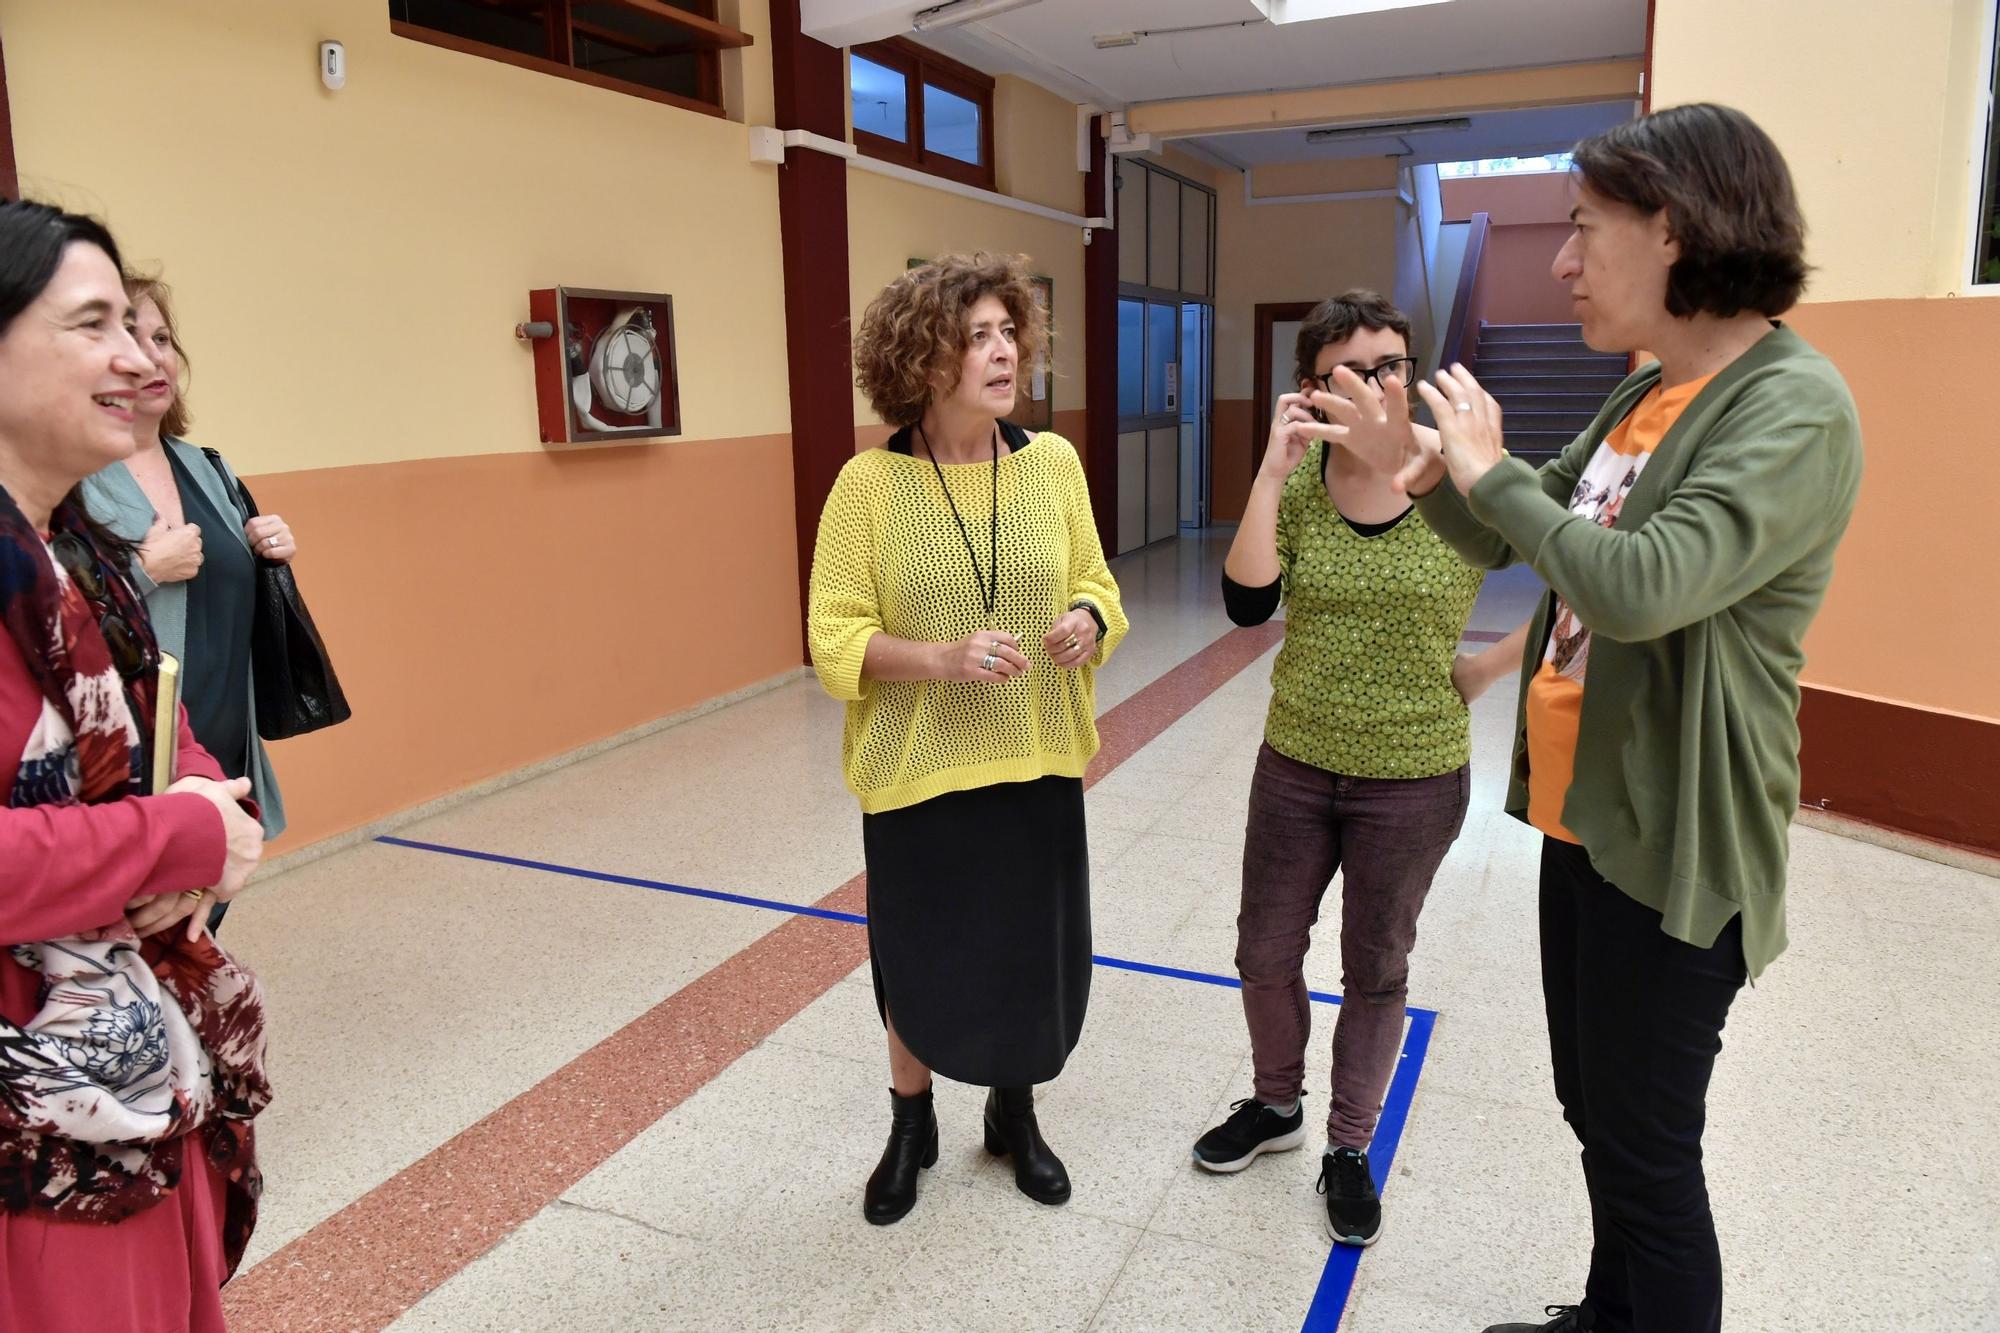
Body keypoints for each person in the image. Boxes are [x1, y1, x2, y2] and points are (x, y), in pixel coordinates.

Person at [1328, 105, 1859, 1332]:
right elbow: (1519, 534)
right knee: (1596, 1114)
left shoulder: (1790, 406)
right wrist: (1417, 465)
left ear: (1668, 232)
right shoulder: (1643, 399)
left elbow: (1631, 586)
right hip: (1585, 823)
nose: (1561, 263)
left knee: (1648, 1155)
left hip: (1674, 846)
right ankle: (1605, 1314)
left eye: (1580, 231)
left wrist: (1484, 467)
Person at [1190, 290, 1525, 1247]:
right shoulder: (1298, 487)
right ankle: (1276, 1105)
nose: (1387, 383)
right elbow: (1247, 606)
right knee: (1263, 949)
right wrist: (1268, 469)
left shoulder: (1453, 474)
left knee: (1375, 968)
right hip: (1295, 761)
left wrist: (1482, 670)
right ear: (1314, 387)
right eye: (1362, 368)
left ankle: (1348, 1145)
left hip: (1413, 774)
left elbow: (1568, 567)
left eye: (1396, 364)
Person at [807, 252, 1126, 1225]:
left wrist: (1084, 618)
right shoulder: (866, 486)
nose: (1002, 352)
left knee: (1026, 954)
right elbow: (832, 639)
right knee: (917, 957)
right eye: (975, 336)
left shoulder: (1052, 464)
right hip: (917, 777)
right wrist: (937, 659)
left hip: (1034, 765)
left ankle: (1013, 1114)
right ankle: (912, 1122)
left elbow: (1100, 588)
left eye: (1006, 333)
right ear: (922, 359)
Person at [0, 199, 272, 1330]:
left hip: (131, 1063)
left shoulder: (78, 558)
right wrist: (182, 838)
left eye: (140, 326)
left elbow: (167, 732)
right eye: (94, 323)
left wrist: (198, 817)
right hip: (33, 1112)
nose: (136, 356)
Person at [82, 276, 292, 928]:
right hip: (136, 758)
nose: (151, 356)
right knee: (144, 956)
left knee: (199, 940)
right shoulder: (73, 476)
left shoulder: (206, 465)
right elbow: (54, 613)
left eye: (163, 338)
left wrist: (266, 544)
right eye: (128, 337)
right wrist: (145, 569)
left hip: (221, 749)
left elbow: (226, 592)